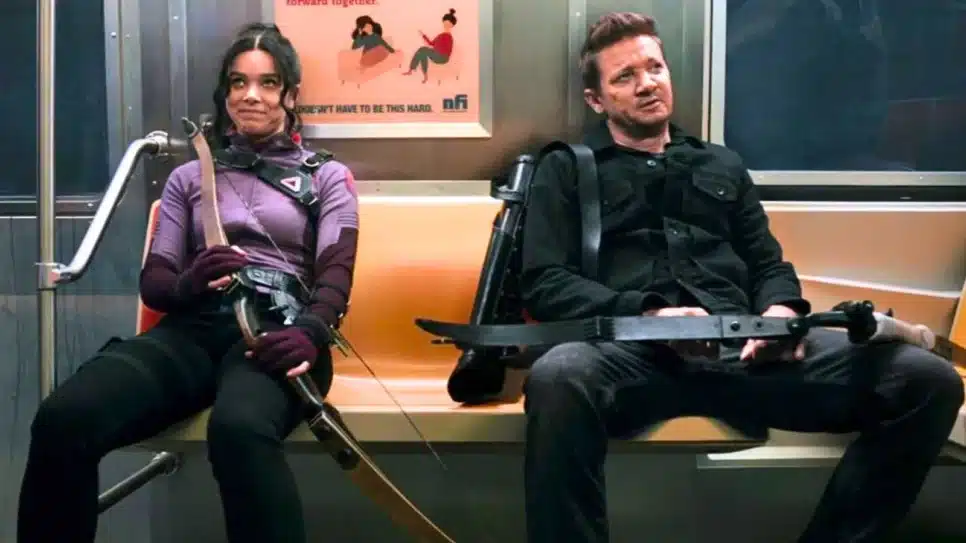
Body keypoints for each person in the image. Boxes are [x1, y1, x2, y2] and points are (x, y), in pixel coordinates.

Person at [518, 11, 963, 543]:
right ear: (596, 100)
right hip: (632, 355)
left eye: (655, 68)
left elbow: (768, 263)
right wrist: (650, 315)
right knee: (557, 376)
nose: (647, 84)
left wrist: (779, 313)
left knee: (928, 382)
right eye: (625, 77)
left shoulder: (722, 165)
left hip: (743, 350)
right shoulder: (567, 169)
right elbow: (545, 282)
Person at [17, 22, 359, 543]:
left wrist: (310, 332)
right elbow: (155, 283)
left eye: (268, 83)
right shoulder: (188, 178)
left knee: (239, 431)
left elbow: (336, 272)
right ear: (225, 94)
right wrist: (190, 282)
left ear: (290, 95)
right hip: (194, 328)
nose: (251, 95)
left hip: (277, 334)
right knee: (64, 418)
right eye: (238, 82)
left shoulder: (328, 177)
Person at [403, 8, 457, 83]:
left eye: (448, 24)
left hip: (442, 57)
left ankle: (412, 70)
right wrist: (423, 35)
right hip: (436, 55)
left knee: (423, 50)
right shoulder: (440, 35)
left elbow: (448, 51)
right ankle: (422, 75)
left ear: (452, 25)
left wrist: (437, 51)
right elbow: (431, 43)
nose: (445, 25)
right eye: (445, 23)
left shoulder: (449, 37)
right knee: (422, 53)